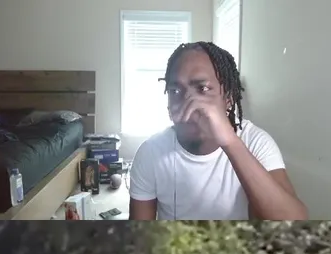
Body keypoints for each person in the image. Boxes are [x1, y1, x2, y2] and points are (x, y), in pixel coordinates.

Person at [128, 41, 307, 221]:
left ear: (228, 98)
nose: (188, 102)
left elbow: (295, 221)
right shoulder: (151, 152)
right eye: (175, 91)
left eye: (203, 89)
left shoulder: (255, 142)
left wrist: (230, 142)